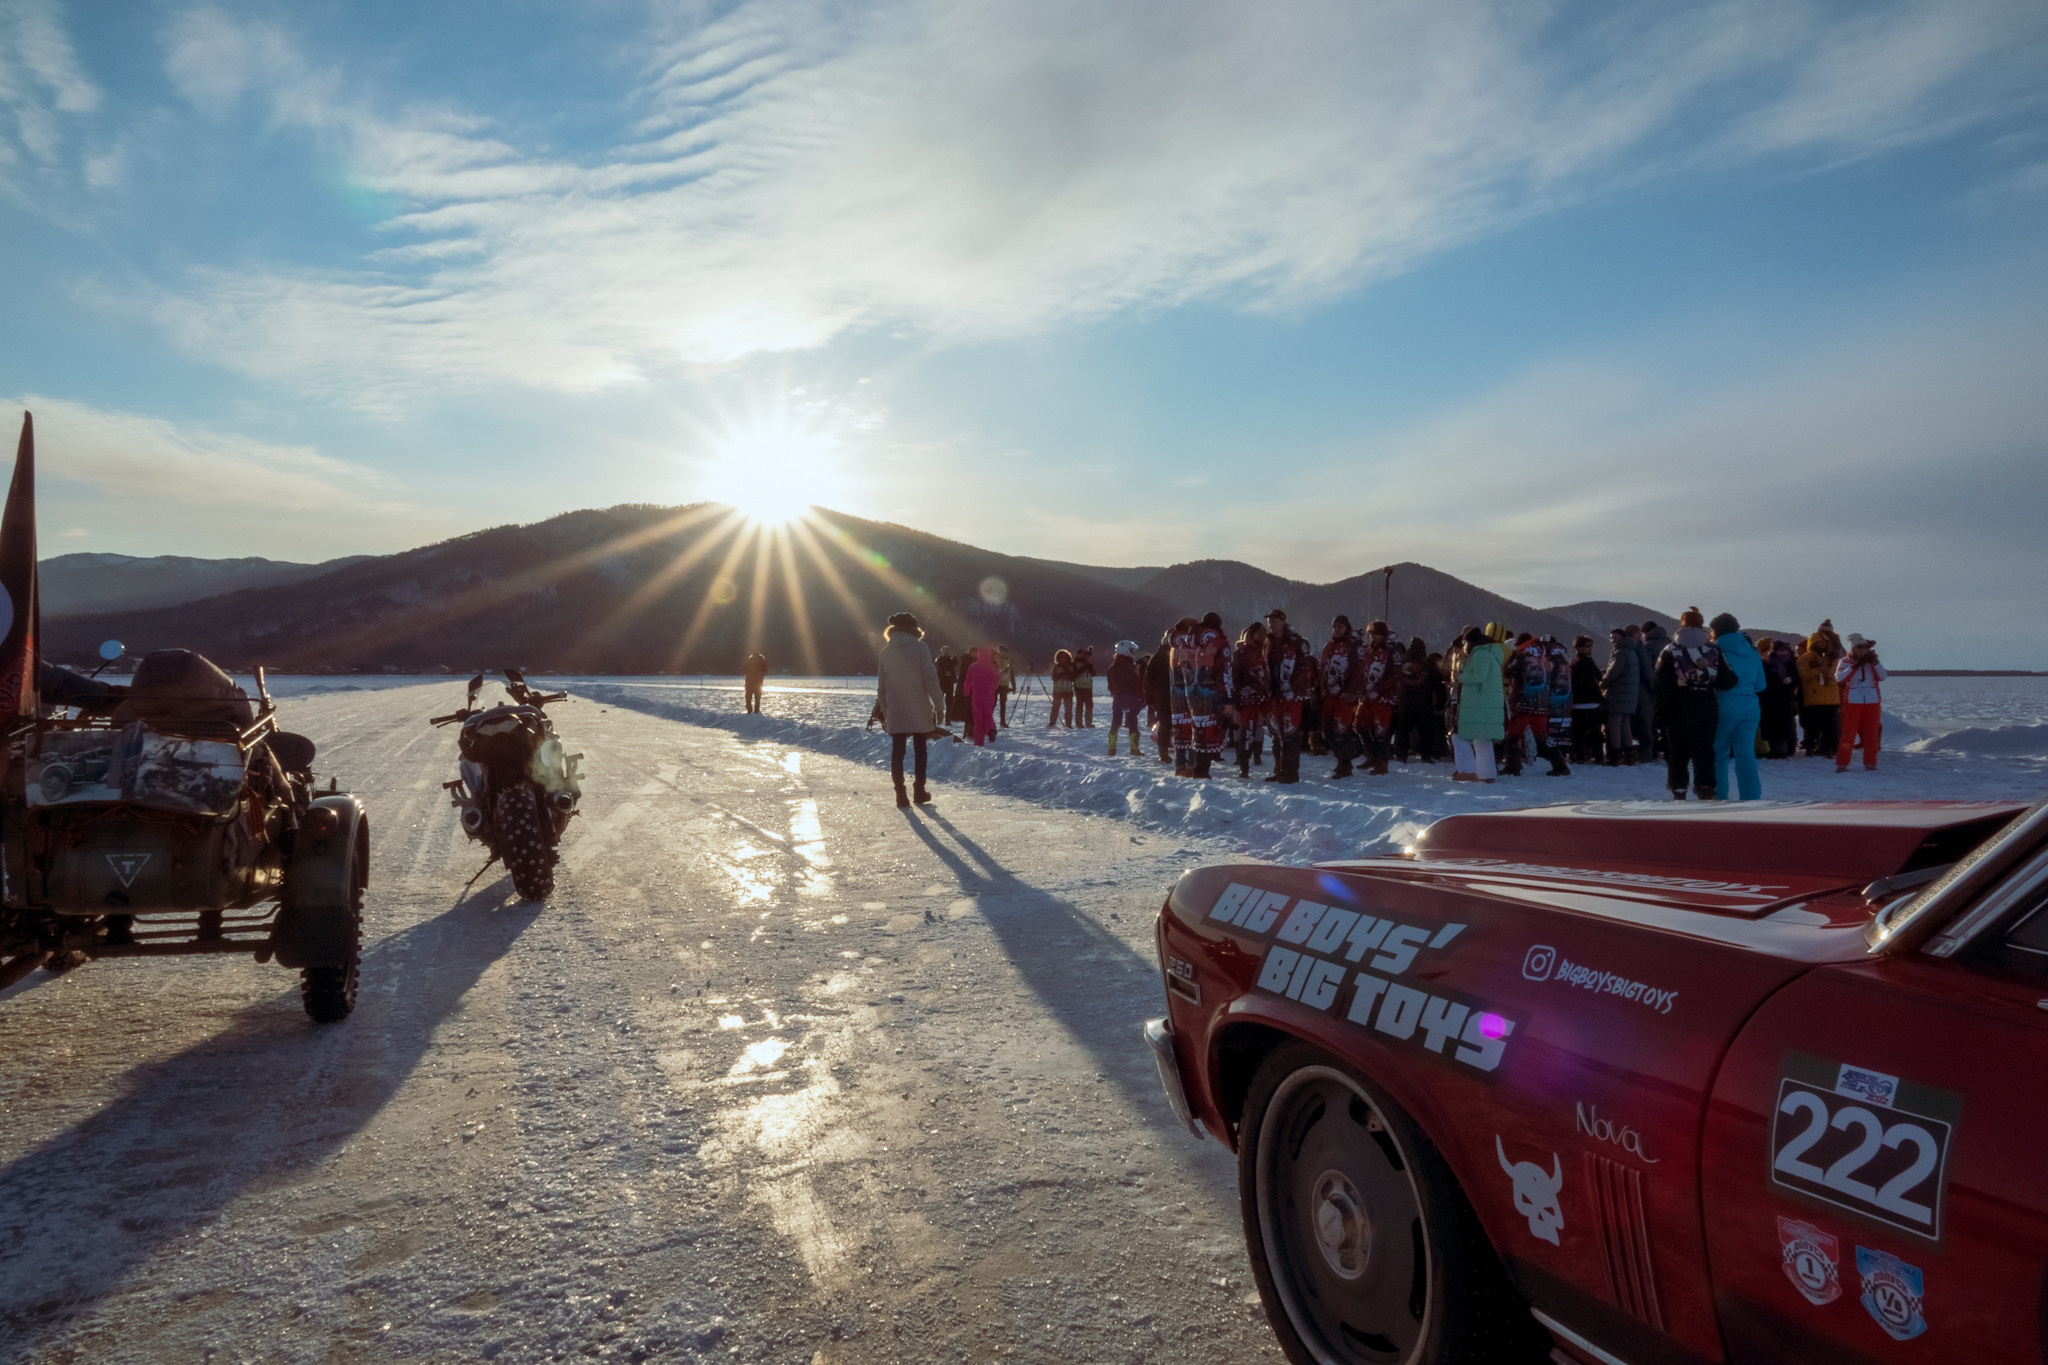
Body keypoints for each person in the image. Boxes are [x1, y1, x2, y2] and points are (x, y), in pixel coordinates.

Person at [874, 612, 945, 807]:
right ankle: (919, 791)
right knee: (920, 750)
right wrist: (940, 707)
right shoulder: (920, 648)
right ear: (914, 629)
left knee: (897, 752)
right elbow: (930, 680)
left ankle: (900, 794)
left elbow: (882, 688)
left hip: (896, 709)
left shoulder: (885, 653)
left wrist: (887, 712)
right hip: (919, 708)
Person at [1654, 607, 1721, 800]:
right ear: (1702, 624)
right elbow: (1727, 679)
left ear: (1682, 624)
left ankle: (1679, 789)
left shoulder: (1670, 650)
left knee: (1677, 751)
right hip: (1706, 705)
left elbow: (1660, 682)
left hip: (1677, 707)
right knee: (1704, 750)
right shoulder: (1714, 650)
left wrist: (1660, 709)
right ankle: (1706, 787)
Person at [1710, 612, 1765, 800]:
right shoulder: (1752, 653)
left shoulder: (1715, 651)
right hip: (1750, 706)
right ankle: (1751, 797)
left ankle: (1719, 796)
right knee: (1746, 753)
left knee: (1718, 753)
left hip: (1723, 705)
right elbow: (1760, 685)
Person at [1452, 625, 1505, 782]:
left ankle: (1468, 770)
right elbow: (1474, 670)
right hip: (1485, 704)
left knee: (1459, 735)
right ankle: (1487, 774)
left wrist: (1459, 678)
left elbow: (1478, 676)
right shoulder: (1487, 653)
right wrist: (1462, 663)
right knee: (1482, 740)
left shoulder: (1480, 654)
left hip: (1479, 704)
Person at [1835, 634, 1888, 771]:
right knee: (1848, 735)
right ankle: (1842, 763)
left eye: (1865, 647)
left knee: (1871, 734)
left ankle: (1870, 762)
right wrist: (1855, 667)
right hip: (1853, 701)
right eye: (1859, 647)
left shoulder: (1872, 662)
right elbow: (1839, 678)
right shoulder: (1845, 662)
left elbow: (1883, 676)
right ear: (1853, 648)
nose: (1863, 650)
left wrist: (1874, 663)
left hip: (1872, 701)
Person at [1231, 622, 1272, 778]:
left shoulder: (1269, 651)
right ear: (1251, 635)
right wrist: (1236, 698)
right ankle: (1244, 765)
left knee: (1268, 729)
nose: (1262, 636)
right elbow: (1234, 678)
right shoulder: (1241, 654)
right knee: (1246, 732)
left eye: (1264, 633)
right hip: (1247, 700)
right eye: (1258, 633)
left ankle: (1259, 757)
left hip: (1266, 698)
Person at [1797, 623, 1845, 759]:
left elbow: (1834, 675)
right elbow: (1804, 675)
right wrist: (1819, 670)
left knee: (1830, 727)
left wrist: (1828, 665)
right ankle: (1811, 747)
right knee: (1813, 726)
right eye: (1820, 643)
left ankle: (1827, 748)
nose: (1822, 645)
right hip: (1813, 697)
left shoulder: (1832, 658)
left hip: (1830, 697)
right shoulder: (1805, 658)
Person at [1391, 637, 1435, 763]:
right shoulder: (1428, 663)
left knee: (1403, 731)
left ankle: (1401, 755)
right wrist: (1440, 700)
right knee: (1425, 731)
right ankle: (1426, 756)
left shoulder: (1403, 661)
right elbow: (1436, 682)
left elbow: (1396, 678)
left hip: (1405, 702)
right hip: (1424, 702)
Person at [1600, 628, 1641, 764]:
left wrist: (1602, 683)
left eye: (1615, 638)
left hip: (1618, 695)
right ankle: (1629, 753)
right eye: (1611, 638)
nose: (1613, 640)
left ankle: (1614, 754)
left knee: (1614, 724)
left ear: (1622, 638)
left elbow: (1613, 673)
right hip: (1630, 696)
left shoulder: (1620, 653)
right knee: (1625, 725)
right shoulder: (1631, 652)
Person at [1758, 637, 1800, 759]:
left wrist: (1791, 680)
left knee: (1785, 725)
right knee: (1771, 725)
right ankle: (1774, 749)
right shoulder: (1766, 664)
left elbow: (1797, 679)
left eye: (1784, 650)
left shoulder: (1790, 664)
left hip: (1785, 699)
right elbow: (1763, 680)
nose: (1782, 653)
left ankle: (1786, 748)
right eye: (1780, 650)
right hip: (1769, 699)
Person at [1106, 639, 1145, 755]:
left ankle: (1111, 748)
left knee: (1115, 721)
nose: (1133, 652)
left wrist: (1116, 693)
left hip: (1118, 698)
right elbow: (1135, 684)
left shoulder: (1112, 668)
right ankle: (1134, 749)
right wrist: (1141, 696)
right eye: (1132, 650)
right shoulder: (1129, 667)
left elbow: (1110, 686)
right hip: (1130, 698)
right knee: (1132, 722)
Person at [1569, 636, 1604, 764]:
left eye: (1590, 646)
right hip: (1592, 701)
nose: (1589, 649)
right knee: (1595, 731)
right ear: (1579, 647)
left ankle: (1579, 755)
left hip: (1578, 702)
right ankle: (1598, 755)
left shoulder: (1573, 663)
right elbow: (1598, 676)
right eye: (1587, 646)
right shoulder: (1588, 661)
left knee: (1578, 732)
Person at [1638, 620, 1670, 759]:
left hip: (1655, 688)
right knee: (1668, 722)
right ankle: (1670, 750)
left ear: (1646, 632)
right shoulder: (1670, 644)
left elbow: (1647, 668)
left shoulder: (1647, 647)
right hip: (1672, 688)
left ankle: (1653, 750)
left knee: (1651, 721)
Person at [1146, 629, 1174, 763]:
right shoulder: (1160, 657)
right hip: (1167, 697)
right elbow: (1149, 680)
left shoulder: (1156, 657)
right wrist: (1150, 698)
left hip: (1163, 697)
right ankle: (1165, 752)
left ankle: (1165, 751)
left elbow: (1148, 680)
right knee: (1167, 724)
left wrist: (1150, 698)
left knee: (1166, 725)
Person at [962, 645, 1000, 747]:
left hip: (976, 696)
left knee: (978, 719)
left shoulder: (973, 666)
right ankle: (991, 729)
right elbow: (995, 679)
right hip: (988, 695)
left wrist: (966, 692)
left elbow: (967, 681)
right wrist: (994, 686)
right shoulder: (991, 666)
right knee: (988, 715)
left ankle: (979, 742)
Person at [1048, 649, 1076, 728]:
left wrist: (1067, 673)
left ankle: (1068, 724)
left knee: (1068, 709)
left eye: (1064, 657)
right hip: (1058, 690)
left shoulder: (1071, 667)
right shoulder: (1056, 668)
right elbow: (1054, 678)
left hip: (1068, 691)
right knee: (1055, 708)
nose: (1063, 659)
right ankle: (1052, 723)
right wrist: (1062, 673)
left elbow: (1073, 678)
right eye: (1061, 658)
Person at [1074, 646, 1097, 727]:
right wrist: (1085, 666)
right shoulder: (1075, 663)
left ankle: (1088, 723)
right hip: (1079, 687)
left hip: (1088, 687)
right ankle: (1079, 723)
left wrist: (1088, 666)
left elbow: (1093, 674)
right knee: (1080, 706)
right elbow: (1075, 674)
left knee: (1089, 706)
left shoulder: (1087, 663)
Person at [996, 647, 1016, 727]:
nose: (1004, 653)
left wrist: (1014, 686)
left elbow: (1011, 674)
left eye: (1005, 652)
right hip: (996, 685)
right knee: (992, 704)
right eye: (1002, 651)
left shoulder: (1008, 661)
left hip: (1004, 685)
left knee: (1003, 704)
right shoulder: (995, 659)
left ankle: (1002, 721)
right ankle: (988, 720)